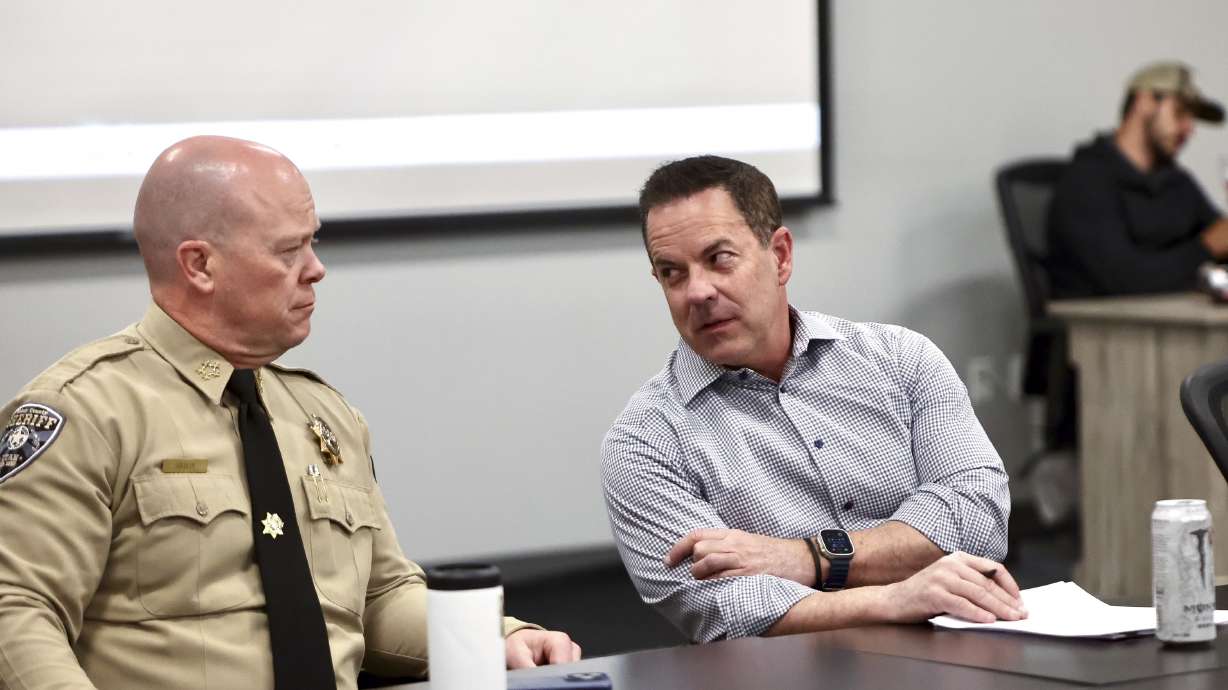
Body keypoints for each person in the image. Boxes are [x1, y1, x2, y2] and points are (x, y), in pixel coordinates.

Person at [0, 136, 578, 689]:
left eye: (313, 242)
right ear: (199, 265)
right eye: (287, 250)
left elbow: (379, 598)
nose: (315, 268)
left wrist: (495, 637)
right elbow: (16, 611)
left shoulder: (322, 413)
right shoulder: (84, 411)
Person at [601, 155, 1023, 643]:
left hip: (961, 649)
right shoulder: (645, 443)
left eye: (719, 259)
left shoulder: (901, 360)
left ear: (780, 256)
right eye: (673, 273)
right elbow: (726, 608)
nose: (697, 291)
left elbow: (979, 516)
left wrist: (804, 558)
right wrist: (895, 598)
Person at [1048, 61, 1227, 298]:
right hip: (1106, 327)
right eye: (1180, 112)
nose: (1189, 129)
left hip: (1174, 316)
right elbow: (1123, 279)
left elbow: (1220, 239)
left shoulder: (1177, 183)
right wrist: (1206, 247)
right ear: (1144, 102)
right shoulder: (1087, 180)